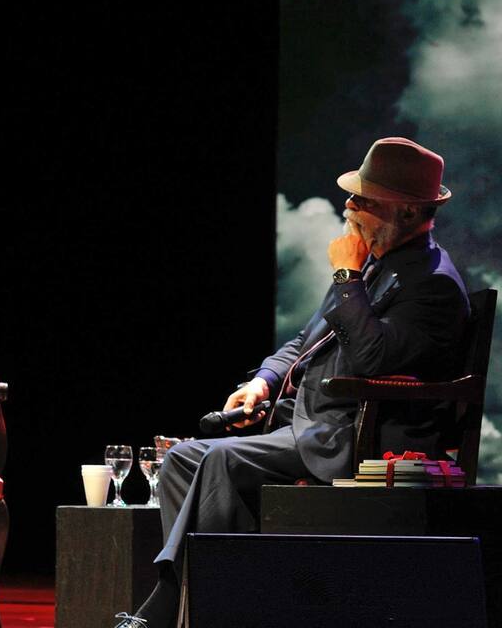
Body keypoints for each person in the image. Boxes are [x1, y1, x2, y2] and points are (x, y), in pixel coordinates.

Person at [116, 137, 468, 628]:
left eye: (364, 199)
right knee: (182, 458)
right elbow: (307, 340)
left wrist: (347, 275)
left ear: (407, 211)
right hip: (310, 426)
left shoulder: (433, 283)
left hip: (358, 439)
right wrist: (263, 381)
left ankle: (180, 605)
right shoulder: (373, 263)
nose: (349, 204)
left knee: (218, 460)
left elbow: (371, 359)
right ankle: (212, 601)